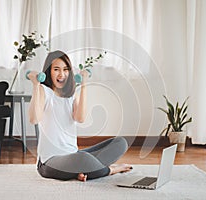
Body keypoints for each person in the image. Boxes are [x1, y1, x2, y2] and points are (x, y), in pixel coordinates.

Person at [28, 50, 132, 182]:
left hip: (73, 155)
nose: (62, 74)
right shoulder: (44, 91)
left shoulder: (71, 95)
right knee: (83, 159)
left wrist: (84, 85)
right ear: (48, 72)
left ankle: (81, 170)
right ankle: (110, 170)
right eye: (56, 69)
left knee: (120, 143)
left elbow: (80, 118)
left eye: (66, 69)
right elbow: (34, 119)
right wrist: (36, 85)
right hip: (49, 162)